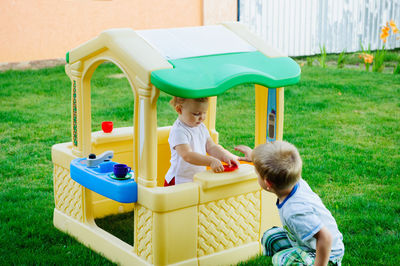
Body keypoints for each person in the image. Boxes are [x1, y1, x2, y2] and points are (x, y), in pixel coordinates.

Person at [235, 141, 344, 266]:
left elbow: (325, 238)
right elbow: (278, 165)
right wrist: (254, 157)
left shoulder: (295, 211)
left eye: (257, 174)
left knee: (281, 260)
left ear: (268, 183)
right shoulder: (293, 180)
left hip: (328, 254)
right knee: (271, 237)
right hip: (307, 243)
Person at [165, 96, 239, 186]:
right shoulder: (178, 131)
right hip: (179, 180)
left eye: (204, 113)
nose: (202, 117)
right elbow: (187, 155)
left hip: (196, 178)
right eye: (196, 114)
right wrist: (210, 161)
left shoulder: (201, 127)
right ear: (179, 109)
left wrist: (224, 156)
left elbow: (211, 147)